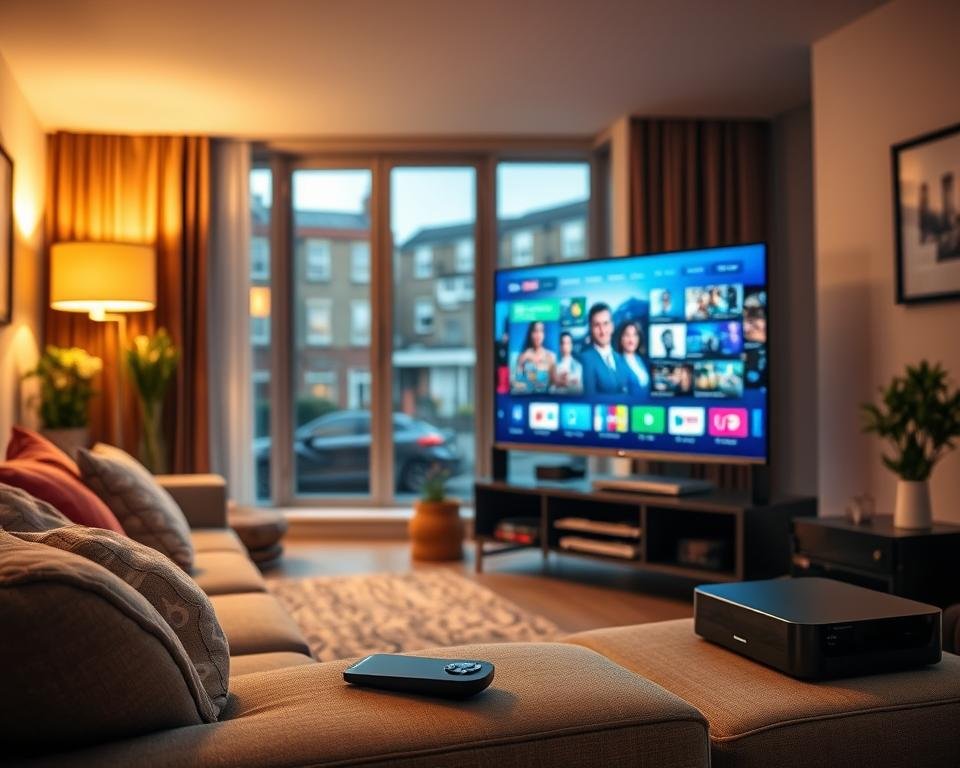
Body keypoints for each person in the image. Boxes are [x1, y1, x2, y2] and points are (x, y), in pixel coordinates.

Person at [580, 303, 631, 395]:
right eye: (597, 325)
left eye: (606, 324)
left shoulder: (620, 358)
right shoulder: (585, 360)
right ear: (591, 329)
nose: (602, 331)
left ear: (612, 326)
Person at [515, 321, 556, 392]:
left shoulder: (551, 356)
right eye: (535, 331)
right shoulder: (524, 356)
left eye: (541, 331)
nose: (538, 335)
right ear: (530, 334)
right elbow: (516, 383)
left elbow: (554, 384)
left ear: (544, 334)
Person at [616, 320, 649, 394]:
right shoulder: (617, 362)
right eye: (627, 335)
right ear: (621, 339)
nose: (631, 339)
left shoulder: (641, 360)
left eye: (635, 335)